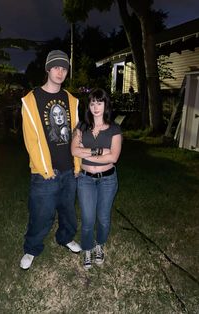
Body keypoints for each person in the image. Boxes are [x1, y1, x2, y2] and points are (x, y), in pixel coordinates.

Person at [20, 50, 81, 270]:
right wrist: (46, 170)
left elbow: (76, 134)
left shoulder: (71, 100)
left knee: (68, 211)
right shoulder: (31, 100)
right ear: (47, 69)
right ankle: (31, 248)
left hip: (69, 170)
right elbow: (31, 140)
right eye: (56, 67)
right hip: (44, 172)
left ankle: (65, 237)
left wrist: (78, 165)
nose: (60, 71)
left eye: (64, 68)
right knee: (41, 214)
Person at [71, 88, 122, 270]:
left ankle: (99, 245)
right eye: (92, 103)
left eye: (99, 102)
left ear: (106, 104)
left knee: (103, 218)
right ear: (89, 106)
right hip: (85, 180)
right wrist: (100, 152)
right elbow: (74, 151)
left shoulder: (114, 129)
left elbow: (113, 157)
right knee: (87, 218)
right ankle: (87, 248)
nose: (95, 107)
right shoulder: (81, 127)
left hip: (107, 180)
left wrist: (87, 153)